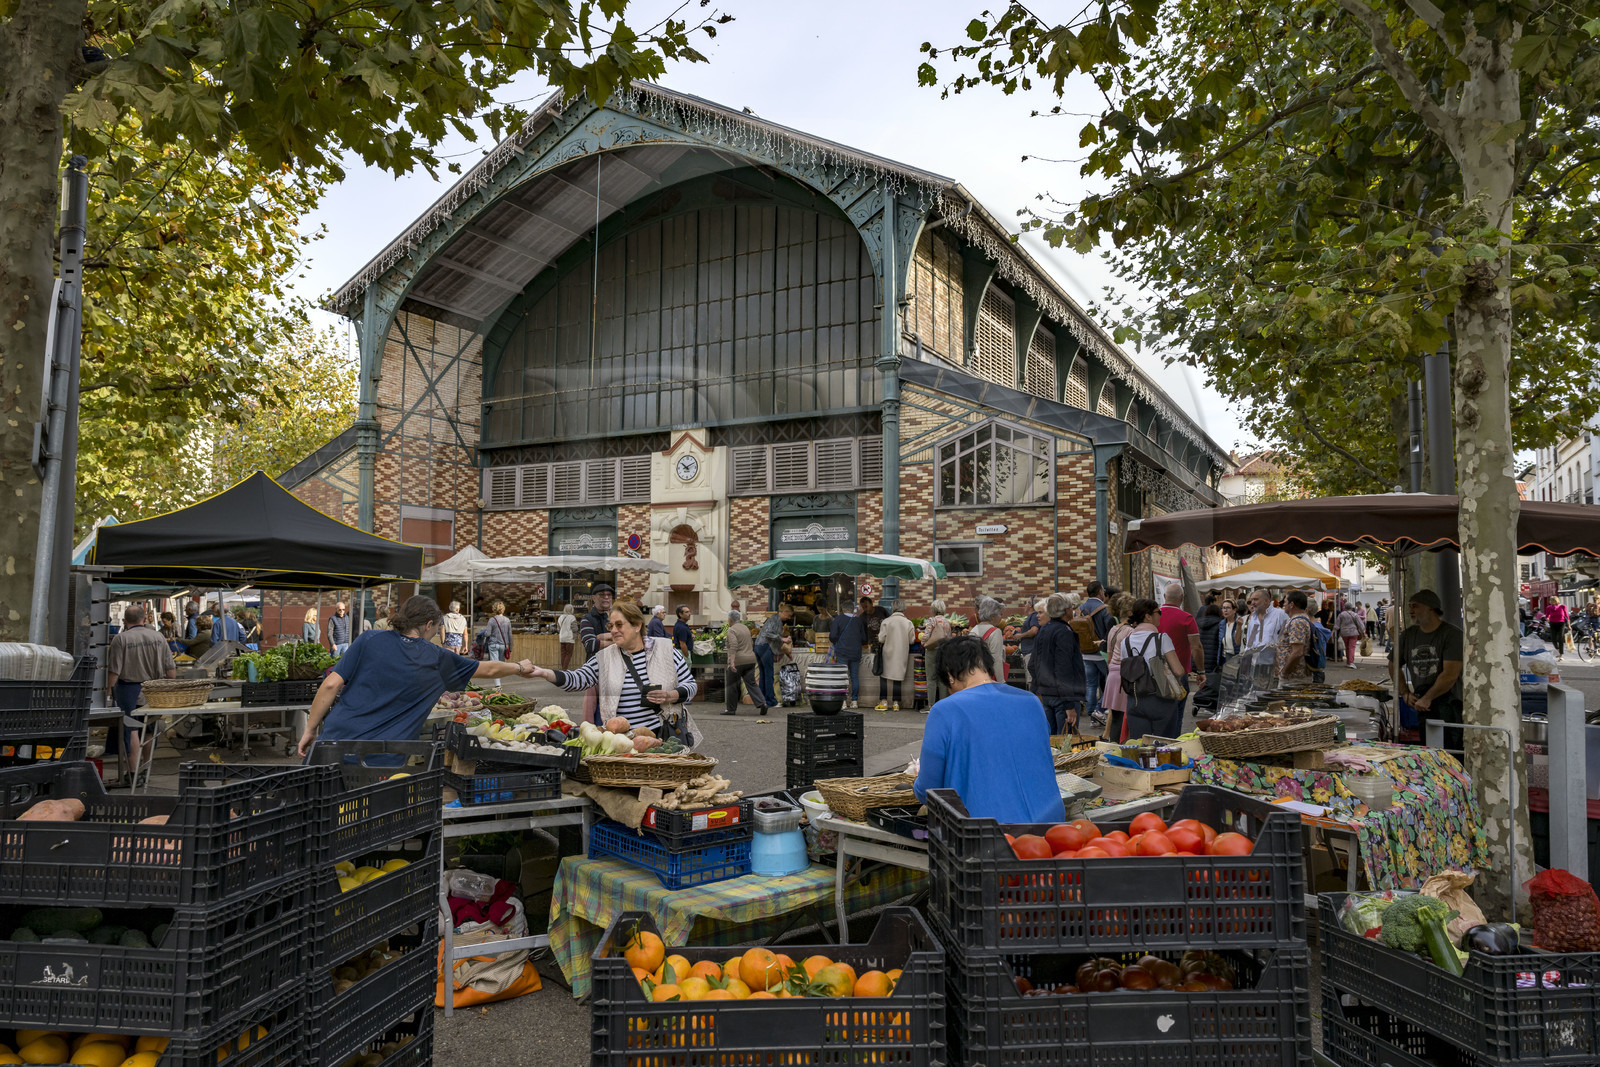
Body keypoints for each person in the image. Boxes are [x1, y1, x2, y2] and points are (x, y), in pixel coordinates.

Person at [298, 595, 534, 756]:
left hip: (332, 743)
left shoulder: (368, 639)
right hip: (381, 759)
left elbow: (330, 685)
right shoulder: (436, 657)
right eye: (434, 629)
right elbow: (489, 669)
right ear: (428, 624)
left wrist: (310, 729)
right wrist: (520, 667)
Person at [913, 635, 1062, 823]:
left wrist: (915, 785)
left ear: (949, 676)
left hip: (986, 833)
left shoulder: (944, 710)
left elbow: (929, 789)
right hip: (1051, 826)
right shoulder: (1032, 701)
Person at [530, 599, 698, 733]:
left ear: (637, 625)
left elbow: (690, 686)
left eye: (620, 625)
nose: (614, 630)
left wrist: (671, 695)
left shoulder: (665, 650)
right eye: (611, 626)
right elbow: (577, 679)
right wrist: (545, 673)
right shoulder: (605, 657)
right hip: (621, 741)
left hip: (660, 735)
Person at [105, 605, 177, 785]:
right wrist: (169, 689)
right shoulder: (159, 637)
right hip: (153, 689)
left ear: (124, 621)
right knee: (150, 729)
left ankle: (132, 773)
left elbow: (114, 671)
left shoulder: (120, 639)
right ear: (144, 619)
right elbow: (170, 669)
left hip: (128, 689)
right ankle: (146, 770)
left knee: (131, 729)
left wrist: (108, 693)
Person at [1397, 588, 1465, 751]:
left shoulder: (1452, 634)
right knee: (1430, 750)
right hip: (1423, 704)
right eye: (1410, 606)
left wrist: (1428, 698)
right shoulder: (1408, 635)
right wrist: (1405, 692)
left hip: (1449, 703)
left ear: (1431, 608)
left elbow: (1450, 674)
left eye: (1415, 606)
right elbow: (1393, 664)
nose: (1411, 610)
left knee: (1450, 751)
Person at [1117, 598, 1192, 739]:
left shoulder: (1125, 642)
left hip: (1134, 700)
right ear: (1148, 616)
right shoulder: (1161, 638)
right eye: (1159, 612)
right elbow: (1178, 670)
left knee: (1140, 747)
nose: (1161, 615)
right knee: (1163, 747)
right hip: (1160, 699)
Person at [1031, 593, 1086, 733]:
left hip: (1047, 694)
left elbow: (1032, 664)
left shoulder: (1043, 629)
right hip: (1062, 696)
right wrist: (1069, 705)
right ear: (1066, 610)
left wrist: (1038, 689)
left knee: (1052, 741)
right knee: (1065, 743)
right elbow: (1064, 668)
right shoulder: (1064, 632)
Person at [1100, 594, 1136, 741]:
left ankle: (1113, 744)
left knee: (1115, 716)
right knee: (1126, 716)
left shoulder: (1114, 629)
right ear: (1130, 613)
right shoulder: (1131, 631)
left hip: (1113, 674)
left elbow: (1109, 657)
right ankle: (1122, 746)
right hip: (1123, 675)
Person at [1198, 598, 1245, 709]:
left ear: (1234, 610)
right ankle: (1225, 707)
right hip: (1224, 657)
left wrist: (1238, 627)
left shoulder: (1239, 622)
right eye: (1223, 608)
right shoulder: (1222, 623)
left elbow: (1238, 642)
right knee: (1225, 684)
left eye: (1228, 608)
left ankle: (1234, 706)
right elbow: (1220, 642)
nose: (1225, 610)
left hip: (1235, 656)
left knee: (1235, 684)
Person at [1078, 581, 1114, 726]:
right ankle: (1098, 710)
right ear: (1100, 592)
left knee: (1091, 684)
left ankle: (1092, 714)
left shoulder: (1081, 608)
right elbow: (1109, 630)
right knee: (1111, 682)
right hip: (1101, 652)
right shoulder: (1104, 609)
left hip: (1085, 652)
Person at [721, 609, 765, 716]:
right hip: (750, 659)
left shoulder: (731, 630)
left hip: (738, 661)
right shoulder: (745, 628)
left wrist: (732, 663)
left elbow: (734, 646)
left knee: (732, 685)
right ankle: (762, 702)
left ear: (730, 619)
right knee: (751, 683)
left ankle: (731, 709)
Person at [1157, 583, 1203, 676]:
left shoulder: (1153, 616)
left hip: (1157, 669)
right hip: (1179, 669)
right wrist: (1201, 671)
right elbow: (1196, 647)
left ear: (1164, 596)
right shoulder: (1187, 618)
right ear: (1182, 597)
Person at [876, 605, 915, 712]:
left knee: (883, 676)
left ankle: (883, 701)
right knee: (897, 677)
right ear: (903, 610)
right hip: (901, 652)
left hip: (888, 652)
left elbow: (881, 638)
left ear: (892, 609)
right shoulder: (908, 623)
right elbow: (912, 640)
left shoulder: (886, 621)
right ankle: (896, 703)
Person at [829, 601, 866, 709]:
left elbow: (832, 636)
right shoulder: (858, 621)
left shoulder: (838, 619)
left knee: (842, 677)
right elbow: (864, 639)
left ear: (842, 609)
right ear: (852, 609)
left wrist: (837, 641)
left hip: (842, 652)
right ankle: (854, 701)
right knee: (854, 676)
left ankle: (843, 702)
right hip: (855, 652)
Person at [755, 603, 792, 708]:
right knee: (768, 675)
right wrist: (783, 639)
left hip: (758, 646)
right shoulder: (776, 620)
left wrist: (786, 652)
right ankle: (771, 701)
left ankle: (762, 700)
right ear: (784, 612)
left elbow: (774, 639)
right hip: (765, 646)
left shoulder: (774, 619)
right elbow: (768, 634)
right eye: (789, 615)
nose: (789, 617)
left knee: (763, 674)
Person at [1277, 590, 1315, 684]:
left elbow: (1297, 652)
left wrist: (1285, 672)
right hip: (1294, 676)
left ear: (1291, 604)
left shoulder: (1297, 622)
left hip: (1294, 677)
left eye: (1285, 602)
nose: (1283, 604)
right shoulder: (1298, 620)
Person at [922, 600, 953, 706]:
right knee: (942, 679)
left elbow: (926, 636)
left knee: (931, 679)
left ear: (934, 609)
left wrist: (923, 643)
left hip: (932, 651)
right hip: (944, 651)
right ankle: (943, 704)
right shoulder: (947, 622)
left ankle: (931, 705)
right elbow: (948, 637)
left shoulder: (932, 620)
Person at [970, 596, 1007, 681]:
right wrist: (1001, 682)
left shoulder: (973, 630)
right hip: (989, 678)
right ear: (992, 616)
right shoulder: (995, 632)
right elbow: (996, 659)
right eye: (1000, 614)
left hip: (975, 677)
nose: (1001, 617)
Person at [1017, 598, 1043, 685]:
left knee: (1032, 682)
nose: (1024, 605)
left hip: (1030, 652)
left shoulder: (1034, 615)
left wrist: (1020, 635)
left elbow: (1034, 631)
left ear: (1030, 605)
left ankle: (1035, 698)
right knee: (1030, 681)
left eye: (1026, 603)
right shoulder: (1032, 616)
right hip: (1028, 651)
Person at [1336, 601, 1363, 668]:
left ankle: (1348, 661)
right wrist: (1363, 632)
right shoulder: (1355, 614)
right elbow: (1360, 624)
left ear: (1345, 607)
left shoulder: (1341, 614)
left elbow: (1337, 624)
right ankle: (1351, 662)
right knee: (1352, 647)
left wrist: (1333, 631)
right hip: (1353, 632)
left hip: (1344, 633)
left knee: (1347, 647)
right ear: (1351, 607)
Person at [558, 604, 578, 669]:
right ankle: (564, 669)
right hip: (569, 638)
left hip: (562, 638)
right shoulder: (572, 617)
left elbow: (558, 628)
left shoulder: (560, 617)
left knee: (563, 654)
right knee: (568, 654)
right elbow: (575, 629)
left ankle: (563, 669)